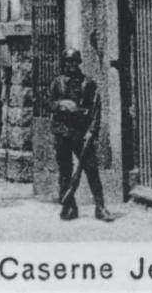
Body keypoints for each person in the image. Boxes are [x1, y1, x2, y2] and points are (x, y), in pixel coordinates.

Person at [48, 49, 114, 222]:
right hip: (62, 133)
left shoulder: (88, 83)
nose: (70, 65)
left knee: (91, 170)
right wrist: (62, 104)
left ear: (79, 63)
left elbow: (96, 109)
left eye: (73, 62)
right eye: (67, 62)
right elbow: (49, 103)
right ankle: (69, 206)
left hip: (82, 134)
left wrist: (92, 131)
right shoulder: (57, 83)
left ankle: (100, 207)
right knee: (65, 171)